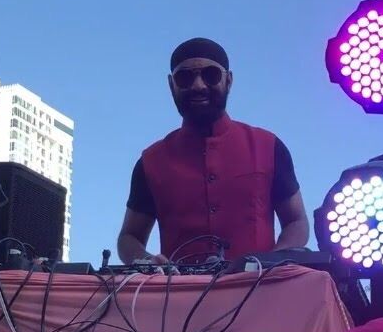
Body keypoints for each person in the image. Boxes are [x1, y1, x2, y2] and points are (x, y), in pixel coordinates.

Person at [117, 38, 309, 265]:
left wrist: (273, 264)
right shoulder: (151, 161)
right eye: (185, 77)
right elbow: (129, 236)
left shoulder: (268, 146)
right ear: (171, 85)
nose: (198, 85)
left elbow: (296, 221)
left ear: (229, 80)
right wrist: (148, 263)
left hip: (258, 284)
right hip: (177, 288)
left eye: (211, 75)